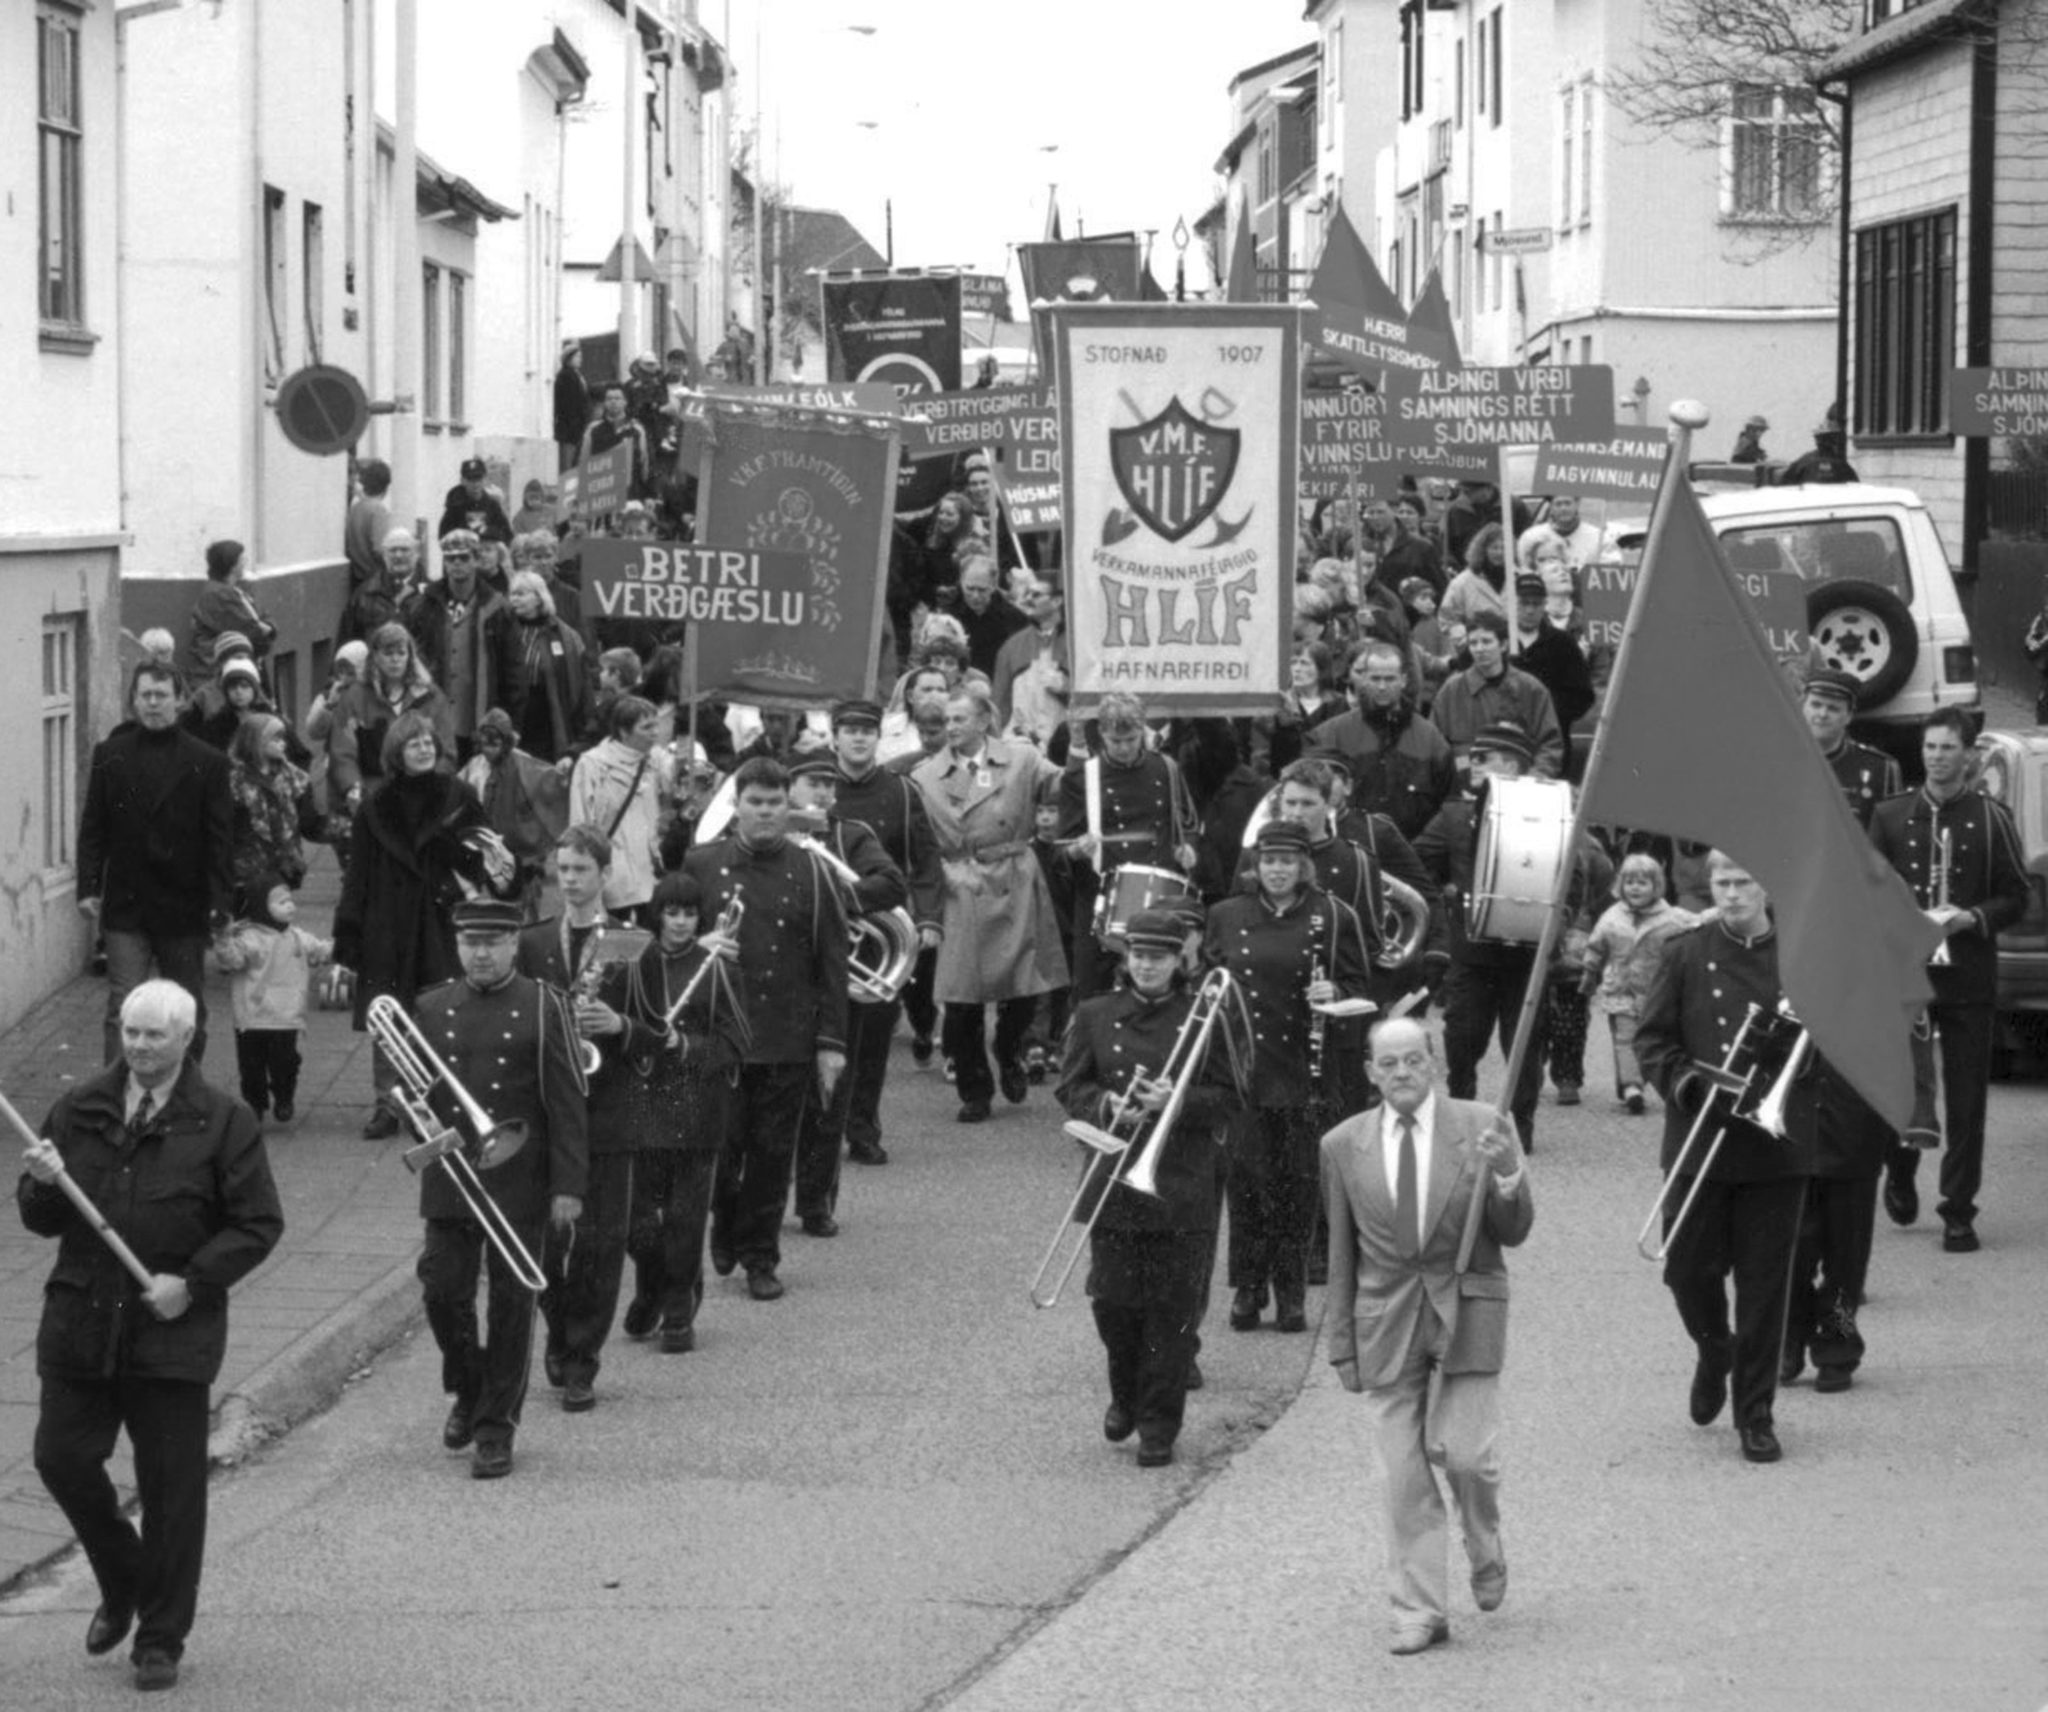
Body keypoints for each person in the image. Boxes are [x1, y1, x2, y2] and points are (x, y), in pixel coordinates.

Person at [20, 979, 283, 1693]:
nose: (138, 1047)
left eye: (154, 1037)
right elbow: (41, 1219)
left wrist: (192, 1282)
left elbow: (258, 1224)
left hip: (172, 1334)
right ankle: (123, 1573)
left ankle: (161, 1638)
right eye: (130, 1033)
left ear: (187, 1039)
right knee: (61, 1458)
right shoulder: (80, 1108)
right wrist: (41, 1182)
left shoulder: (224, 1122)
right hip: (80, 1322)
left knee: (172, 1492)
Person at [1321, 1016, 1531, 1655]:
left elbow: (1514, 1229)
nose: (1403, 1073)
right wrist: (1341, 1342)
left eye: (1414, 1060)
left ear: (1435, 1062)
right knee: (1401, 1477)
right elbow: (1340, 1253)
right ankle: (1419, 1609)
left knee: (1467, 1457)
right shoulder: (1341, 1144)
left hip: (1467, 1304)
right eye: (1389, 1064)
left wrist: (1506, 1178)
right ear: (1370, 1072)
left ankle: (1484, 1539)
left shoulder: (1484, 1125)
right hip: (1385, 1318)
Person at [1634, 851, 1815, 1464]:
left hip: (1775, 1145)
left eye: (1743, 882)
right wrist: (1685, 1083)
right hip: (1699, 1138)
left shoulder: (1801, 955)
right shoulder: (1685, 951)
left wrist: (1797, 1068)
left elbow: (1835, 1040)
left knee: (1765, 1288)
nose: (1732, 894)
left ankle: (1755, 1414)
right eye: (1722, 883)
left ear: (1766, 886)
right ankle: (1715, 1348)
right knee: (1685, 1271)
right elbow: (1652, 1038)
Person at [1055, 910, 1241, 1469]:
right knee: (1113, 1304)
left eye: (1158, 956)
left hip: (1181, 1181)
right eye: (1138, 954)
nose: (1147, 964)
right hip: (1114, 1177)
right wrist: (1106, 1104)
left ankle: (1160, 1424)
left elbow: (1232, 1097)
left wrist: (1176, 1103)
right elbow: (1071, 1086)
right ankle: (1124, 1396)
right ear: (1125, 957)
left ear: (1177, 961)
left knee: (1172, 1310)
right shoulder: (1094, 1014)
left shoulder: (1204, 1017)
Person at [413, 898, 587, 1479]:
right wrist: (414, 1116)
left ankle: (495, 1430)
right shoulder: (431, 1006)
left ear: (514, 943)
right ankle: (468, 1385)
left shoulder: (543, 1005)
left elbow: (567, 1102)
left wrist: (568, 1185)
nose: (480, 954)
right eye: (470, 943)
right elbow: (405, 1085)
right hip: (453, 1177)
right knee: (442, 1290)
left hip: (520, 1177)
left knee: (513, 1307)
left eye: (492, 943)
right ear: (458, 945)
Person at [681, 758, 849, 1300]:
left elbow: (833, 963)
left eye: (775, 803)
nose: (766, 813)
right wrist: (693, 947)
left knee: (774, 1154)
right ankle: (725, 1225)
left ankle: (760, 1256)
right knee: (724, 1150)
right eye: (755, 803)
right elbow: (669, 941)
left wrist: (831, 1043)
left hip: (787, 1033)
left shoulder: (814, 869)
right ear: (738, 806)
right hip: (721, 1032)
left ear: (788, 807)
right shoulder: (703, 864)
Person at [1867, 708, 2028, 1249]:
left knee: (1967, 1098)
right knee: (1900, 1082)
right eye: (1930, 747)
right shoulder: (1890, 816)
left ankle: (1959, 1207)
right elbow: (1869, 891)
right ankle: (1902, 1165)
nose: (1937, 757)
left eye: (1947, 748)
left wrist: (1971, 918)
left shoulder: (1991, 817)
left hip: (1967, 974)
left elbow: (2016, 895)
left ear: (1968, 755)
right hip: (1905, 974)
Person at [1204, 819, 1370, 1335]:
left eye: (1287, 861)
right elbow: (1205, 981)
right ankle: (1248, 1289)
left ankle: (1292, 1291)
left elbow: (1362, 983)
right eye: (1269, 860)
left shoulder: (1334, 914)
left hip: (1305, 1070)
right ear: (1256, 864)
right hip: (1242, 1069)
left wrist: (1336, 994)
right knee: (1247, 1184)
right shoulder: (1225, 915)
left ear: (1303, 865)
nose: (1277, 870)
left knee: (1297, 1186)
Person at [517, 827, 654, 1411]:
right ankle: (557, 1327)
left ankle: (583, 1361)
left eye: (580, 869)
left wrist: (619, 1026)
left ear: (603, 874)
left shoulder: (631, 941)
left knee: (602, 1243)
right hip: (547, 1112)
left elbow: (657, 1027)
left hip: (609, 1108)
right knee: (545, 1238)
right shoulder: (532, 941)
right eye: (562, 869)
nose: (569, 879)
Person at [332, 711, 507, 1138]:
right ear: (397, 752)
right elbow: (358, 874)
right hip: (387, 921)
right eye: (415, 743)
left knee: (442, 1010)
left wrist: (452, 850)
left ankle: (437, 1100)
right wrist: (348, 934)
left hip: (441, 918)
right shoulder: (375, 805)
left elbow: (488, 858)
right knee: (387, 1016)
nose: (425, 748)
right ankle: (388, 1103)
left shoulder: (460, 795)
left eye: (429, 741)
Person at [912, 685, 1068, 1122]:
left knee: (1023, 989)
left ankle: (1010, 1049)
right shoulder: (925, 777)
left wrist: (1076, 742)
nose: (951, 727)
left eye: (959, 719)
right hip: (962, 884)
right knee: (962, 998)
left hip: (1014, 877)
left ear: (984, 721)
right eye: (945, 721)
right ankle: (974, 1089)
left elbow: (1067, 784)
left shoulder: (1021, 759)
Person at [77, 662, 235, 1067]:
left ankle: (185, 1092)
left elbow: (220, 840)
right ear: (133, 701)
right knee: (123, 1006)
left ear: (180, 701)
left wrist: (221, 902)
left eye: (160, 695)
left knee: (186, 1009)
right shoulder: (110, 754)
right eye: (144, 695)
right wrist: (89, 886)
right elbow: (94, 826)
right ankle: (116, 1098)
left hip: (184, 905)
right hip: (127, 905)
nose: (152, 703)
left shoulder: (209, 761)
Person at [1413, 723, 1558, 1150]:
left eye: (1484, 758)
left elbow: (1587, 865)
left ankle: (1521, 1129)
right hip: (1472, 951)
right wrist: (1446, 899)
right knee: (1461, 1037)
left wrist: (1563, 914)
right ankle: (1462, 1116)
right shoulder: (1457, 814)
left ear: (1512, 764)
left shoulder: (1546, 809)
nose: (1472, 764)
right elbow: (1418, 858)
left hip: (1526, 952)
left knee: (1524, 1046)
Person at [620, 872, 748, 1351]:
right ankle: (652, 1285)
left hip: (697, 1109)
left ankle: (677, 1309)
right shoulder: (634, 963)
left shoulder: (718, 969)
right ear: (657, 914)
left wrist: (686, 1045)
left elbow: (736, 1041)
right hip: (640, 1105)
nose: (680, 923)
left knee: (685, 1217)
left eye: (689, 914)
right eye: (671, 913)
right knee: (639, 1223)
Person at [786, 756, 907, 1231]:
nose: (821, 792)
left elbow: (890, 883)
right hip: (780, 982)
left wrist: (833, 900)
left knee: (828, 1098)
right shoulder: (767, 836)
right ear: (790, 786)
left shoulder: (849, 835)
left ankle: (816, 1204)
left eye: (828, 786)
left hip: (838, 983)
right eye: (811, 782)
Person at [828, 699, 941, 1161]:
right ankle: (821, 1127)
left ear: (879, 737)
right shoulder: (814, 785)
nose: (858, 738)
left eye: (867, 731)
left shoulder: (901, 791)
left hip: (880, 937)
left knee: (873, 1036)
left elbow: (925, 858)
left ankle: (863, 1129)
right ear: (834, 736)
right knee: (825, 1033)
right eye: (850, 730)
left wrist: (929, 919)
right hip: (824, 929)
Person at [1057, 692, 1199, 999]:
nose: (1123, 748)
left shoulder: (1167, 768)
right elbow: (1061, 846)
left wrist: (1187, 849)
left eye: (1131, 739)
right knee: (1090, 988)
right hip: (1100, 891)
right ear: (1102, 735)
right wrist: (1075, 851)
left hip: (1158, 886)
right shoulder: (1084, 775)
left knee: (1163, 982)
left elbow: (1186, 824)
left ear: (1143, 732)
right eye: (1114, 741)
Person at [1579, 853, 1698, 1113]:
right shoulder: (1612, 916)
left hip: (1655, 992)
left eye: (1643, 882)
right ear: (1621, 885)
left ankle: (1646, 1081)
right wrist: (1589, 974)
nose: (1635, 887)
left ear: (1656, 886)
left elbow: (1696, 928)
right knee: (1624, 1038)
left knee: (1651, 1039)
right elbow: (1596, 946)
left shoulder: (1671, 917)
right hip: (1619, 989)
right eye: (1630, 882)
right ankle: (1632, 1087)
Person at [211, 873, 332, 1123]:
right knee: (251, 1069)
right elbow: (232, 959)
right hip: (253, 1017)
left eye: (290, 900)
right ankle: (254, 1106)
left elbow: (320, 950)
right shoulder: (249, 939)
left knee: (286, 1064)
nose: (290, 906)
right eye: (280, 902)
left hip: (286, 1017)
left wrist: (340, 947)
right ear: (260, 907)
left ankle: (284, 1096)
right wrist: (223, 937)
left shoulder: (298, 937)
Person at [1306, 642, 1458, 840]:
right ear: (1363, 680)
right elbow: (1308, 797)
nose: (1382, 686)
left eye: (1390, 679)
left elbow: (1449, 807)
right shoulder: (1330, 735)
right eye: (1375, 679)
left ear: (1403, 680)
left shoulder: (1431, 740)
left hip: (1415, 858)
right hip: (1350, 856)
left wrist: (1420, 854)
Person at [325, 623, 455, 827]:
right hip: (372, 796)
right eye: (388, 653)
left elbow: (447, 753)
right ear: (375, 656)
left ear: (410, 656)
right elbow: (342, 753)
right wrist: (352, 787)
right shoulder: (354, 698)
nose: (395, 659)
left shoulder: (432, 697)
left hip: (421, 797)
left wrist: (428, 789)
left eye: (401, 653)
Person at [406, 530, 519, 764]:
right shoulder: (425, 605)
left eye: (464, 558)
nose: (457, 564)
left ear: (476, 560)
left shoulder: (498, 608)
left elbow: (514, 672)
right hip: (433, 718)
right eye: (450, 558)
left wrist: (510, 721)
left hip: (480, 718)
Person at [458, 707, 570, 916]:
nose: (488, 750)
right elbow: (458, 788)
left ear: (506, 742)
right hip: (490, 847)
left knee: (525, 907)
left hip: (522, 850)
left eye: (495, 744)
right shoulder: (475, 765)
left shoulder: (522, 761)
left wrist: (564, 775)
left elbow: (548, 781)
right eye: (484, 744)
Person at [1429, 610, 1565, 781]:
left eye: (1486, 641)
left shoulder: (1531, 689)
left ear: (1503, 645)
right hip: (1462, 795)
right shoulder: (1451, 691)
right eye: (1473, 643)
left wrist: (1532, 780)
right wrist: (1460, 774)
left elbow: (1550, 746)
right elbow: (1433, 748)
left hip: (1517, 793)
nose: (1479, 649)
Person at [567, 695, 669, 920]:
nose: (655, 732)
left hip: (650, 875)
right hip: (611, 877)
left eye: (656, 725)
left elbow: (678, 788)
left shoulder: (657, 759)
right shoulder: (591, 764)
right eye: (647, 727)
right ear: (624, 731)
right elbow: (580, 824)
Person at [225, 710, 323, 897]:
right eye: (275, 739)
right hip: (246, 867)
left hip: (285, 865)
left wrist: (341, 827)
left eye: (283, 738)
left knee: (279, 914)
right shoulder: (234, 779)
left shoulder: (294, 777)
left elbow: (309, 821)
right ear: (255, 742)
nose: (282, 744)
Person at [505, 569, 590, 765]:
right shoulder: (505, 629)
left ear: (538, 598)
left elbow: (580, 681)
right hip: (513, 710)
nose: (514, 599)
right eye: (512, 594)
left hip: (547, 713)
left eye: (521, 594)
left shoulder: (565, 635)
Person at [1802, 666, 1898, 830]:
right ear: (1802, 706)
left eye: (1833, 708)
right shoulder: (1779, 761)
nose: (1822, 714)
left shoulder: (1880, 769)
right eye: (1816, 705)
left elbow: (1891, 836)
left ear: (1848, 716)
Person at [1509, 573, 1595, 735]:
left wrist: (1545, 709)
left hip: (1551, 739)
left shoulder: (1563, 643)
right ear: (1512, 603)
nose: (1530, 610)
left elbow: (1582, 696)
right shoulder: (1496, 639)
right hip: (1503, 739)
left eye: (1536, 604)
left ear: (1545, 605)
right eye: (1524, 603)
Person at [181, 540, 276, 686]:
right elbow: (252, 630)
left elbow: (261, 617)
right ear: (231, 565)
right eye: (242, 559)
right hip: (215, 673)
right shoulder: (218, 596)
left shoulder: (234, 592)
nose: (245, 562)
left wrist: (268, 628)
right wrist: (266, 630)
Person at [946, 555, 1031, 682]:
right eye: (970, 588)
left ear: (993, 585)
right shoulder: (948, 616)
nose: (975, 596)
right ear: (961, 581)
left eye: (982, 590)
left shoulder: (1015, 618)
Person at [340, 527, 421, 645]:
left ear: (416, 554)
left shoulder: (429, 595)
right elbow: (348, 642)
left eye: (404, 550)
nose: (398, 555)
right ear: (384, 555)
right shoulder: (364, 594)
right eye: (392, 550)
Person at [1515, 494, 1605, 589]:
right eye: (1558, 504)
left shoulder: (1599, 537)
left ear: (1577, 504)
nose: (1563, 508)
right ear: (1551, 507)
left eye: (1567, 503)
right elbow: (1525, 571)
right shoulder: (1531, 537)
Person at [1379, 492, 1446, 600]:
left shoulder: (1428, 544)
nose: (1404, 516)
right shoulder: (1388, 542)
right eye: (1401, 512)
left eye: (1410, 512)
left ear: (1420, 516)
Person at [438, 456, 515, 547]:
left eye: (479, 478)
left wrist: (487, 532)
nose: (475, 484)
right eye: (470, 479)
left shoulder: (492, 505)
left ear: (485, 479)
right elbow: (443, 536)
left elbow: (507, 536)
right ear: (462, 480)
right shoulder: (454, 507)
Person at [346, 460, 394, 590]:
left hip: (356, 578)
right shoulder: (378, 510)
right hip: (374, 581)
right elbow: (380, 549)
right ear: (386, 487)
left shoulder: (355, 508)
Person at [1782, 406, 1859, 485]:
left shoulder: (1803, 462)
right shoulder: (1844, 467)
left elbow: (1785, 485)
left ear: (1817, 440)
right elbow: (1855, 487)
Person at [554, 342, 590, 471]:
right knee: (568, 463)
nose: (580, 360)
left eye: (580, 357)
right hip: (570, 428)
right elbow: (569, 403)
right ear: (568, 358)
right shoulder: (566, 376)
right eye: (577, 357)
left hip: (577, 427)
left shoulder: (577, 376)